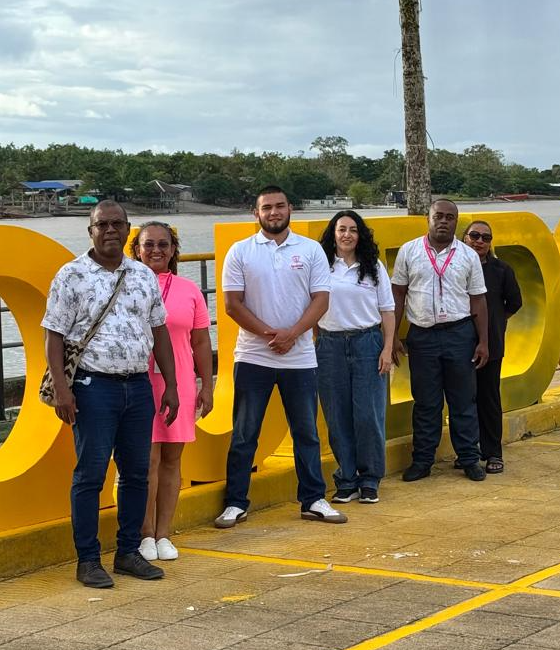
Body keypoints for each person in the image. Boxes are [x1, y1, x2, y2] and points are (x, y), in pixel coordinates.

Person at [42, 200, 180, 589]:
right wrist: (63, 390)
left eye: (117, 224)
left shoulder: (142, 275)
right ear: (91, 230)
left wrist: (170, 384)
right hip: (92, 387)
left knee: (137, 474)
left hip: (138, 386)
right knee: (90, 475)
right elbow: (53, 335)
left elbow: (159, 332)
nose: (110, 230)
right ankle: (88, 560)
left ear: (127, 229)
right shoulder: (71, 276)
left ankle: (128, 552)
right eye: (102, 224)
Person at [215, 185, 348, 527]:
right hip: (253, 357)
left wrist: (292, 334)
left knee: (306, 432)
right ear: (255, 213)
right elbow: (232, 304)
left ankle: (313, 499)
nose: (274, 212)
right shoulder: (240, 251)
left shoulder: (311, 250)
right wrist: (268, 334)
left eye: (279, 206)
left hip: (300, 357)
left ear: (290, 209)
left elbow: (321, 299)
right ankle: (235, 503)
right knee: (245, 433)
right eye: (266, 208)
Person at [130, 222, 214, 562]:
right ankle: (144, 533)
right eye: (149, 244)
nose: (156, 251)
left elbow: (201, 341)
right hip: (137, 382)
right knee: (143, 460)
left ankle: (164, 534)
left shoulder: (189, 289)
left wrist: (206, 385)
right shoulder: (126, 285)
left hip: (177, 383)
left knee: (171, 460)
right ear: (136, 249)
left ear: (173, 249)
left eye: (163, 245)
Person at [390, 198, 490, 482]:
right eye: (439, 216)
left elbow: (478, 300)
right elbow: (398, 295)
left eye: (450, 217)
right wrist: (395, 336)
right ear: (428, 219)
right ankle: (422, 461)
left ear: (456, 222)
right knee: (426, 402)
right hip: (422, 336)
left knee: (463, 401)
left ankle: (469, 458)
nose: (444, 221)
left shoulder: (468, 255)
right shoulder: (409, 252)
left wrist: (483, 341)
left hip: (460, 334)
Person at [316, 210, 395, 504]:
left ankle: (370, 479)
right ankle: (346, 480)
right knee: (337, 417)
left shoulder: (373, 267)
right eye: (341, 229)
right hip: (330, 345)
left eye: (352, 229)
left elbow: (388, 310)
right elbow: (310, 307)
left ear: (360, 235)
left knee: (368, 415)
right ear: (332, 234)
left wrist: (387, 349)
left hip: (367, 343)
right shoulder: (321, 266)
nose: (347, 235)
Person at [463, 220, 521, 474]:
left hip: (490, 344)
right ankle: (468, 451)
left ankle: (493, 452)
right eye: (474, 235)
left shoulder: (501, 270)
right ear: (464, 238)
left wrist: (495, 322)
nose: (479, 241)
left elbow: (514, 303)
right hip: (458, 342)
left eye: (486, 238)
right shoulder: (455, 267)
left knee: (488, 398)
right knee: (463, 400)